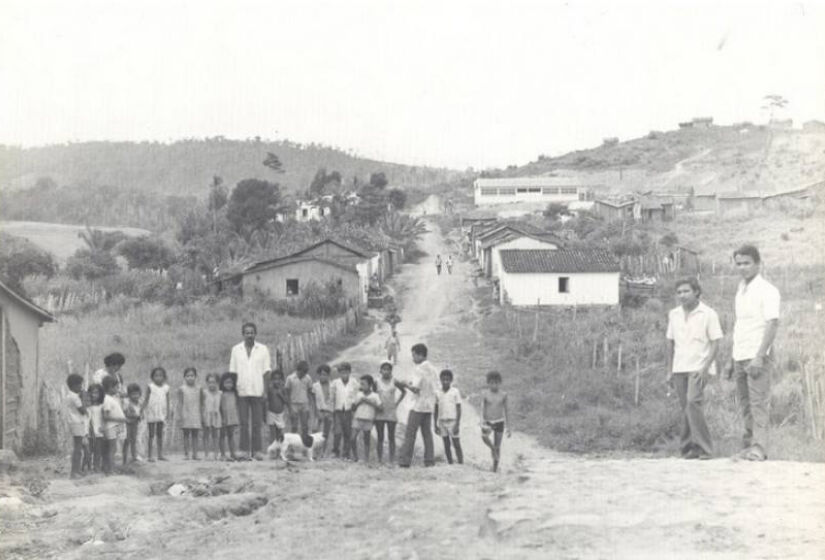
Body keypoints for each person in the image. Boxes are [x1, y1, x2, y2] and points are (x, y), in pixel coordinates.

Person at [726, 245, 780, 461]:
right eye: (739, 263)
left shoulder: (768, 290)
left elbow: (772, 324)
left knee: (758, 403)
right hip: (740, 354)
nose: (743, 267)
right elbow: (739, 327)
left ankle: (759, 448)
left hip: (758, 356)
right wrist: (731, 360)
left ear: (758, 263)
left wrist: (759, 356)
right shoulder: (740, 290)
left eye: (747, 263)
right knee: (745, 403)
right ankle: (748, 445)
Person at [666, 277, 723, 460]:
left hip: (699, 367)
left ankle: (705, 448)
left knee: (693, 402)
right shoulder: (674, 314)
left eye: (686, 291)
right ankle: (689, 448)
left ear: (696, 292)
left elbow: (715, 343)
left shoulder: (708, 314)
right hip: (679, 366)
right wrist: (669, 370)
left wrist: (705, 368)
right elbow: (670, 342)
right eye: (679, 292)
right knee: (686, 407)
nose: (682, 295)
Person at [228, 322, 272, 461]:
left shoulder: (263, 349)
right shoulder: (236, 350)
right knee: (243, 422)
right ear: (243, 334)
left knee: (257, 423)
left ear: (255, 333)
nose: (249, 335)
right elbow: (233, 373)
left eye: (252, 332)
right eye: (247, 332)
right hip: (242, 391)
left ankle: (257, 450)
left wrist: (265, 391)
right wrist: (234, 391)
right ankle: (244, 450)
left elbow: (266, 372)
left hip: (257, 390)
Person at [398, 343, 439, 468]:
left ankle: (405, 461)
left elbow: (415, 389)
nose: (413, 358)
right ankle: (429, 460)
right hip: (429, 406)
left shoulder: (419, 369)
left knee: (410, 433)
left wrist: (405, 384)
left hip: (418, 405)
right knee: (427, 433)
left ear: (420, 355)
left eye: (414, 355)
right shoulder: (433, 369)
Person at [374, 362, 406, 464]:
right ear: (380, 371)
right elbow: (373, 395)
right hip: (380, 412)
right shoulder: (376, 382)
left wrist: (397, 403)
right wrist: (376, 405)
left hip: (391, 412)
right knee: (380, 437)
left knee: (391, 436)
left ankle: (391, 460)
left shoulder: (394, 381)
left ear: (391, 371)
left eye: (388, 369)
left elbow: (404, 391)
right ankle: (379, 460)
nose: (386, 371)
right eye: (384, 369)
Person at [481, 371, 510, 472]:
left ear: (500, 383)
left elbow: (506, 411)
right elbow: (482, 409)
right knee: (484, 437)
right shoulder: (485, 394)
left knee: (498, 445)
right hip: (488, 421)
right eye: (492, 383)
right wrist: (482, 421)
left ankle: (495, 468)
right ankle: (492, 448)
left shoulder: (503, 395)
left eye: (497, 383)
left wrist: (509, 427)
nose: (494, 385)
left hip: (499, 421)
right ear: (488, 383)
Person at [434, 369, 463, 465]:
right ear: (440, 380)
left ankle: (460, 463)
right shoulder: (437, 392)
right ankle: (450, 462)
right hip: (442, 421)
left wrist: (457, 424)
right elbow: (436, 409)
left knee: (456, 443)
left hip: (453, 421)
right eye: (443, 379)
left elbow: (459, 408)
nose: (445, 382)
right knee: (446, 444)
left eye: (447, 380)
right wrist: (435, 424)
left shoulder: (455, 391)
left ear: (451, 380)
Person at [351, 374, 382, 462]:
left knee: (366, 439)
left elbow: (380, 408)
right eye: (361, 384)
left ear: (370, 385)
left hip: (368, 419)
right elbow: (353, 407)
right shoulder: (358, 394)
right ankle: (355, 457)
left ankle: (366, 459)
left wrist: (369, 402)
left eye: (363, 384)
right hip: (357, 418)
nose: (361, 386)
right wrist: (359, 402)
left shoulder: (375, 396)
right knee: (352, 438)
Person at [330, 362, 358, 459]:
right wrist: (331, 409)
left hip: (349, 410)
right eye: (342, 372)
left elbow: (356, 395)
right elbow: (331, 397)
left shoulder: (354, 382)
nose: (344, 374)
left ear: (349, 372)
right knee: (337, 432)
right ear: (339, 373)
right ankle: (335, 451)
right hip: (338, 410)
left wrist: (354, 405)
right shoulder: (335, 383)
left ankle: (346, 453)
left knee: (347, 432)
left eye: (346, 372)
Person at [142, 367, 170, 462]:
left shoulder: (166, 388)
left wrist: (168, 412)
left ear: (164, 377)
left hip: (161, 412)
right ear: (152, 377)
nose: (158, 378)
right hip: (152, 412)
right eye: (156, 376)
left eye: (160, 376)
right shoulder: (150, 387)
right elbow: (146, 399)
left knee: (160, 434)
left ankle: (160, 454)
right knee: (151, 434)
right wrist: (141, 410)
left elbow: (168, 401)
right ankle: (150, 455)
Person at [101, 375, 127, 475]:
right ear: (110, 387)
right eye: (116, 387)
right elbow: (105, 417)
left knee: (112, 448)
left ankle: (109, 468)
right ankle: (110, 470)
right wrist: (120, 419)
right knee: (112, 449)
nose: (118, 389)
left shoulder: (111, 398)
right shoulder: (107, 399)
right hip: (110, 427)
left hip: (114, 426)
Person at [65, 374, 88, 478]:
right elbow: (83, 411)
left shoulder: (69, 395)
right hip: (77, 422)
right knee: (78, 448)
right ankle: (74, 472)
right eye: (80, 385)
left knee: (78, 448)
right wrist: (83, 398)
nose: (81, 387)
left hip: (73, 422)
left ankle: (76, 470)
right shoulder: (75, 397)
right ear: (74, 386)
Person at [179, 367, 203, 460]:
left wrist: (201, 414)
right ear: (184, 377)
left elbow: (201, 403)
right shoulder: (182, 389)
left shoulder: (199, 388)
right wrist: (180, 415)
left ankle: (195, 454)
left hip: (196, 414)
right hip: (186, 413)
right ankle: (186, 454)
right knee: (186, 434)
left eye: (192, 375)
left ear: (196, 377)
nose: (190, 378)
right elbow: (180, 403)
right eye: (188, 376)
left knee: (195, 434)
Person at [285, 361, 313, 436]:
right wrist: (289, 408)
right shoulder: (290, 378)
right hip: (294, 404)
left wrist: (309, 406)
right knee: (294, 426)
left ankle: (305, 441)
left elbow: (310, 392)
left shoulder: (308, 378)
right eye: (302, 372)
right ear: (298, 370)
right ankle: (293, 442)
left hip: (304, 404)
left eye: (305, 373)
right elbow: (287, 393)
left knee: (305, 425)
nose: (303, 374)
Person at [312, 365, 334, 456]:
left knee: (326, 433)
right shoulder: (315, 386)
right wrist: (316, 412)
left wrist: (332, 413)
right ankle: (314, 451)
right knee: (315, 430)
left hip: (329, 411)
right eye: (321, 374)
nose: (323, 377)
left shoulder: (332, 385)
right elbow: (313, 401)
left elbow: (334, 400)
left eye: (325, 375)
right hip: (319, 410)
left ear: (328, 375)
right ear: (318, 375)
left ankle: (323, 452)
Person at [219, 372, 240, 461]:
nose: (229, 385)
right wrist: (221, 417)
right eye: (226, 382)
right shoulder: (220, 394)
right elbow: (219, 406)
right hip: (223, 417)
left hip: (232, 417)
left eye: (230, 382)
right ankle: (223, 454)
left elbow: (236, 406)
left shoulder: (235, 394)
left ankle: (233, 453)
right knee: (222, 435)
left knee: (231, 435)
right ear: (222, 383)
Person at [202, 373, 223, 461]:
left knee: (215, 435)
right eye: (210, 382)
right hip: (207, 414)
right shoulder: (204, 393)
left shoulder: (220, 393)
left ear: (218, 383)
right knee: (206, 434)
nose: (212, 384)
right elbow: (201, 404)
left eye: (214, 382)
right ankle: (206, 454)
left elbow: (221, 406)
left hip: (216, 415)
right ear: (207, 383)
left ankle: (216, 453)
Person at [266, 369, 288, 444]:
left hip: (280, 414)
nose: (277, 381)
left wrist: (281, 395)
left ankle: (279, 450)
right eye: (275, 379)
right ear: (272, 380)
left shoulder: (283, 389)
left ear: (282, 380)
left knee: (279, 432)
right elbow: (267, 401)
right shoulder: (270, 389)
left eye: (279, 379)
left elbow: (286, 401)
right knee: (272, 433)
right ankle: (271, 449)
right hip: (271, 413)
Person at [122, 384, 142, 465]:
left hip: (135, 424)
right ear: (129, 395)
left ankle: (134, 457)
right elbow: (125, 413)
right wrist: (135, 415)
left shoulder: (139, 403)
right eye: (133, 394)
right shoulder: (127, 403)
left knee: (134, 440)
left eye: (137, 394)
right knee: (127, 440)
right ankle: (124, 459)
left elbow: (140, 412)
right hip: (127, 424)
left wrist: (140, 416)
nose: (135, 396)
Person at [87, 383, 105, 472]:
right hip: (90, 432)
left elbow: (104, 418)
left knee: (98, 450)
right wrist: (89, 429)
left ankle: (97, 466)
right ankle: (88, 467)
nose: (94, 395)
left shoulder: (102, 406)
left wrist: (103, 427)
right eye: (92, 393)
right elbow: (88, 419)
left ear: (100, 394)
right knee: (89, 450)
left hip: (99, 431)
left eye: (96, 393)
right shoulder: (88, 406)